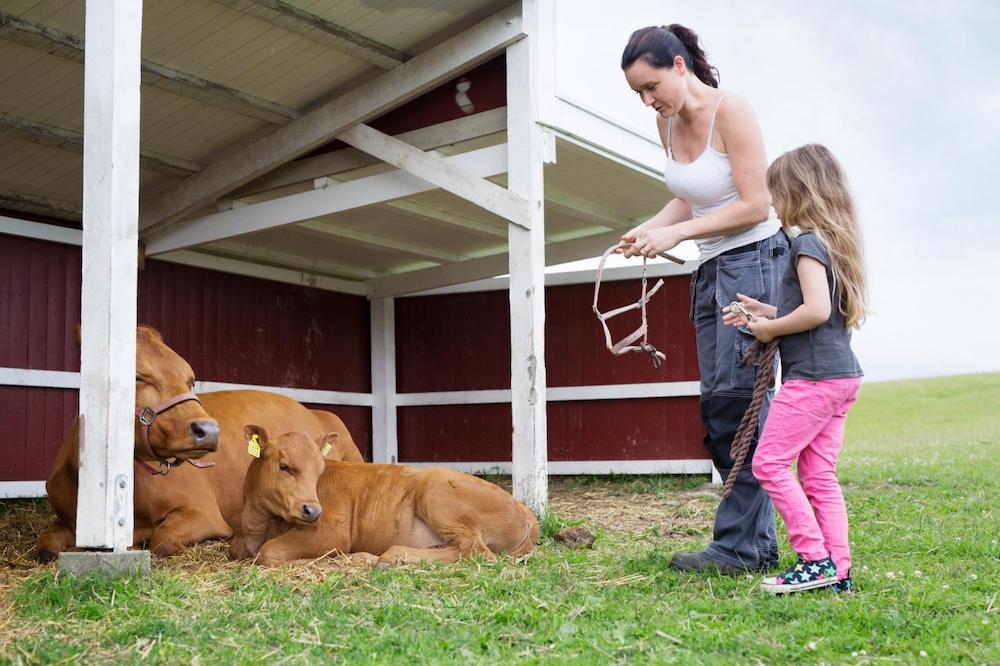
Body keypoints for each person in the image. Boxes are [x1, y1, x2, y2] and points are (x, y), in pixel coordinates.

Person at [620, 25, 789, 574]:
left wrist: (677, 236)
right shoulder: (664, 122)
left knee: (741, 402)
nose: (648, 101)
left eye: (651, 86)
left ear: (677, 65)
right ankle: (754, 543)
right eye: (638, 94)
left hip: (754, 263)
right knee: (719, 403)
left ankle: (740, 546)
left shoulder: (731, 111)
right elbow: (687, 197)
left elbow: (757, 204)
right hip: (712, 267)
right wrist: (647, 229)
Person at [723, 143, 867, 594]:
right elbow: (809, 308)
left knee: (768, 464)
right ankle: (838, 569)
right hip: (843, 377)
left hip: (815, 380)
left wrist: (767, 331)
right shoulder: (834, 242)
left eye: (776, 192)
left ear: (797, 192)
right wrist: (764, 312)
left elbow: (816, 311)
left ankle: (814, 558)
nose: (771, 202)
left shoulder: (804, 243)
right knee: (819, 477)